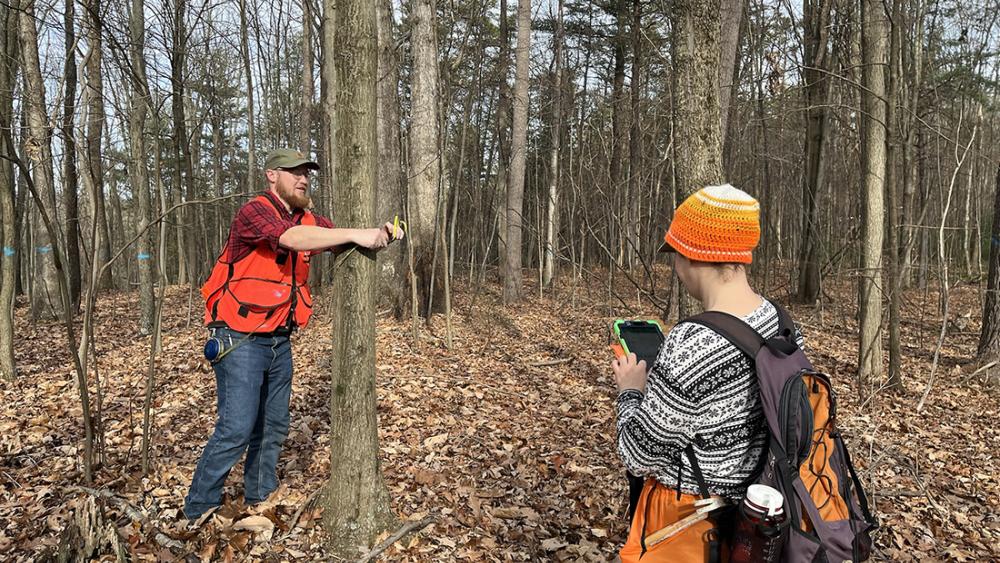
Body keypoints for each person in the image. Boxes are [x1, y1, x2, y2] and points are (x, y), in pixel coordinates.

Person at [183, 148, 402, 520]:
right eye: (294, 172)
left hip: (278, 340)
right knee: (236, 427)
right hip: (239, 337)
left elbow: (333, 238)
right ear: (272, 175)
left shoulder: (307, 218)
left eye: (306, 173)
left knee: (273, 425)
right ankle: (199, 508)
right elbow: (291, 238)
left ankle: (259, 495)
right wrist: (357, 234)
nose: (303, 179)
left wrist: (379, 233)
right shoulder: (254, 212)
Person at [611, 184, 800, 562]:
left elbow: (638, 455)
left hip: (691, 525)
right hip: (754, 518)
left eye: (675, 255)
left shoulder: (694, 343)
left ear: (693, 255)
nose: (675, 267)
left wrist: (632, 391)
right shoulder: (778, 321)